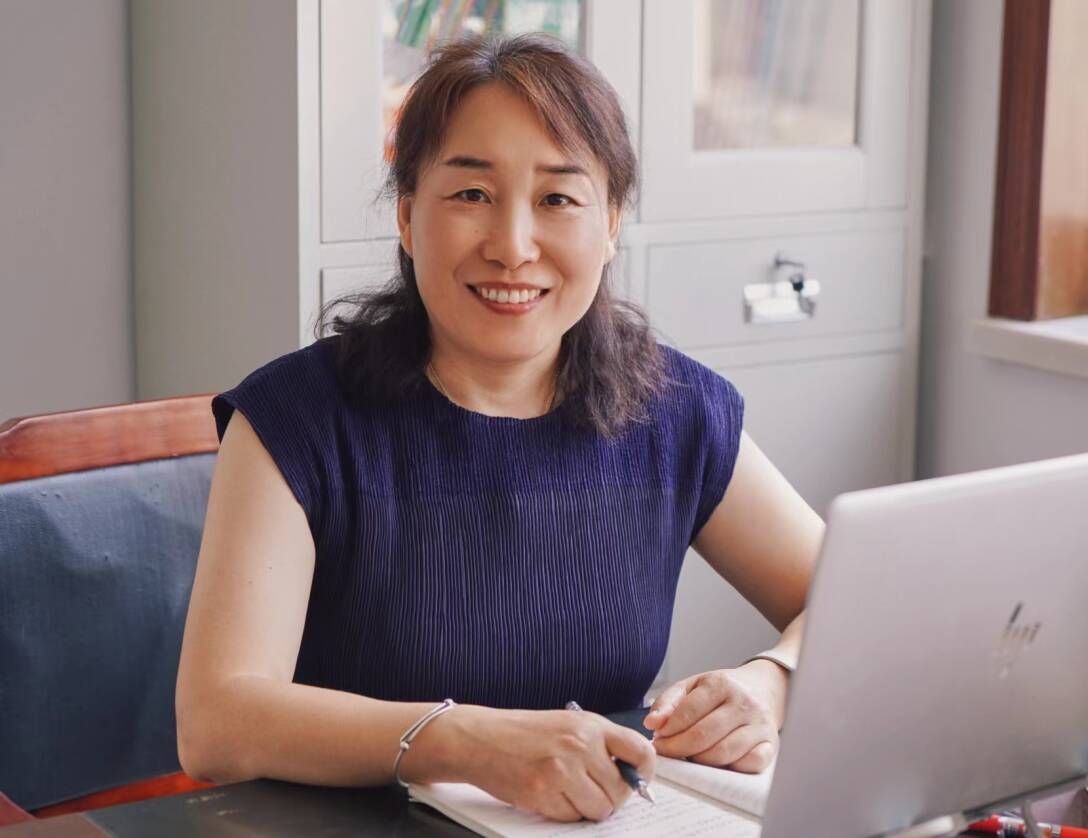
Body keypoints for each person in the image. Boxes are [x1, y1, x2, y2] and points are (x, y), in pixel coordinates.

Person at [175, 33, 823, 824]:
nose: (513, 248)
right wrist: (463, 742)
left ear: (611, 224)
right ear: (408, 217)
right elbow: (216, 722)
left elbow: (855, 599)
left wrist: (773, 681)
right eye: (472, 194)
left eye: (558, 199)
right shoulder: (299, 421)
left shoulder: (672, 409)